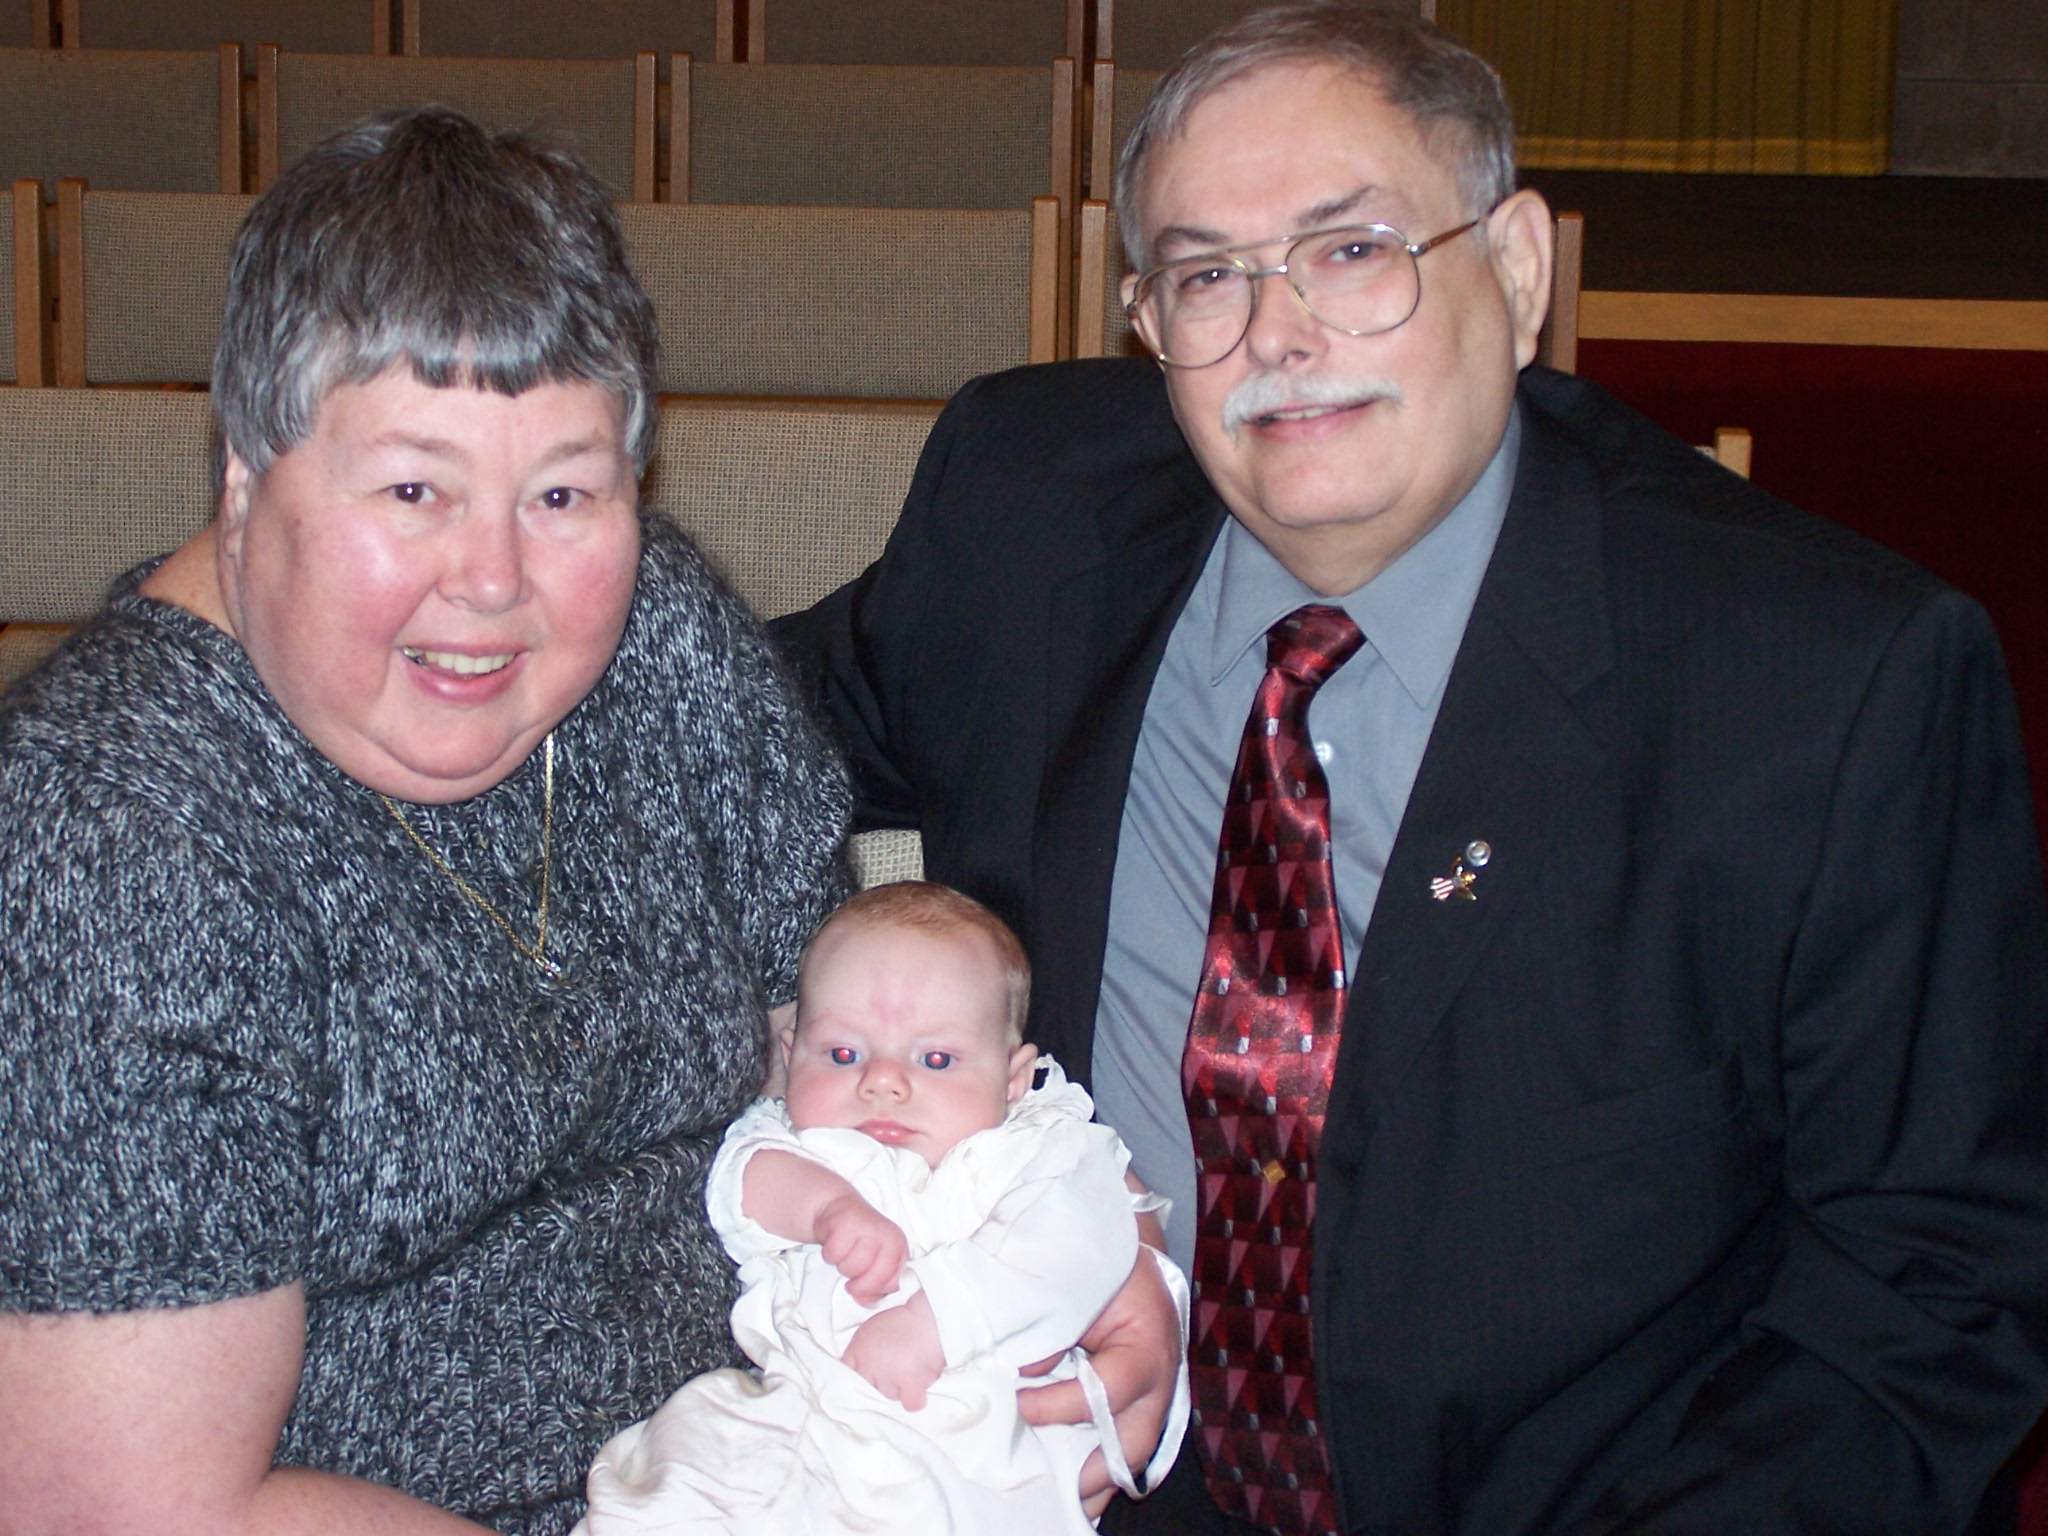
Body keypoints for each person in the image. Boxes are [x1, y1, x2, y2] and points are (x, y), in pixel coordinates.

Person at [773, 5, 2048, 1534]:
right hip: (1048, 1468)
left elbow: (1934, 1288)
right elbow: (734, 737)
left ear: (1517, 269)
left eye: (1354, 250)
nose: (1278, 335)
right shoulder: (1028, 515)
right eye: (1207, 275)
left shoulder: (1822, 682)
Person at [0, 110, 1177, 1536]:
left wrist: (1092, 1249)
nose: (495, 579)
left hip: (820, 1430)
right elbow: (140, 1510)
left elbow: (846, 1058)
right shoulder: (113, 845)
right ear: (246, 477)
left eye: (562, 491)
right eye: (415, 488)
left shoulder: (656, 634)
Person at [578, 881, 1189, 1535]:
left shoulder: (1036, 1148)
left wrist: (939, 1320)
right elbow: (742, 1183)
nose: (883, 1081)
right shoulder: (798, 1141)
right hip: (805, 1410)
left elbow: (1083, 1241)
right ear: (790, 1056)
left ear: (1013, 1081)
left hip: (980, 1438)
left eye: (936, 1059)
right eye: (843, 1054)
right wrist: (826, 1207)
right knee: (687, 1469)